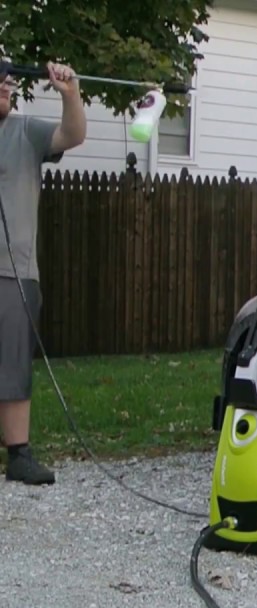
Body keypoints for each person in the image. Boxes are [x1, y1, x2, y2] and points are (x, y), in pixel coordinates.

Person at [0, 61, 86, 485]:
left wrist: (70, 92)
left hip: (14, 271)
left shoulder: (26, 131)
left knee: (13, 363)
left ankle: (18, 455)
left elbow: (73, 135)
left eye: (8, 82)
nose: (6, 87)